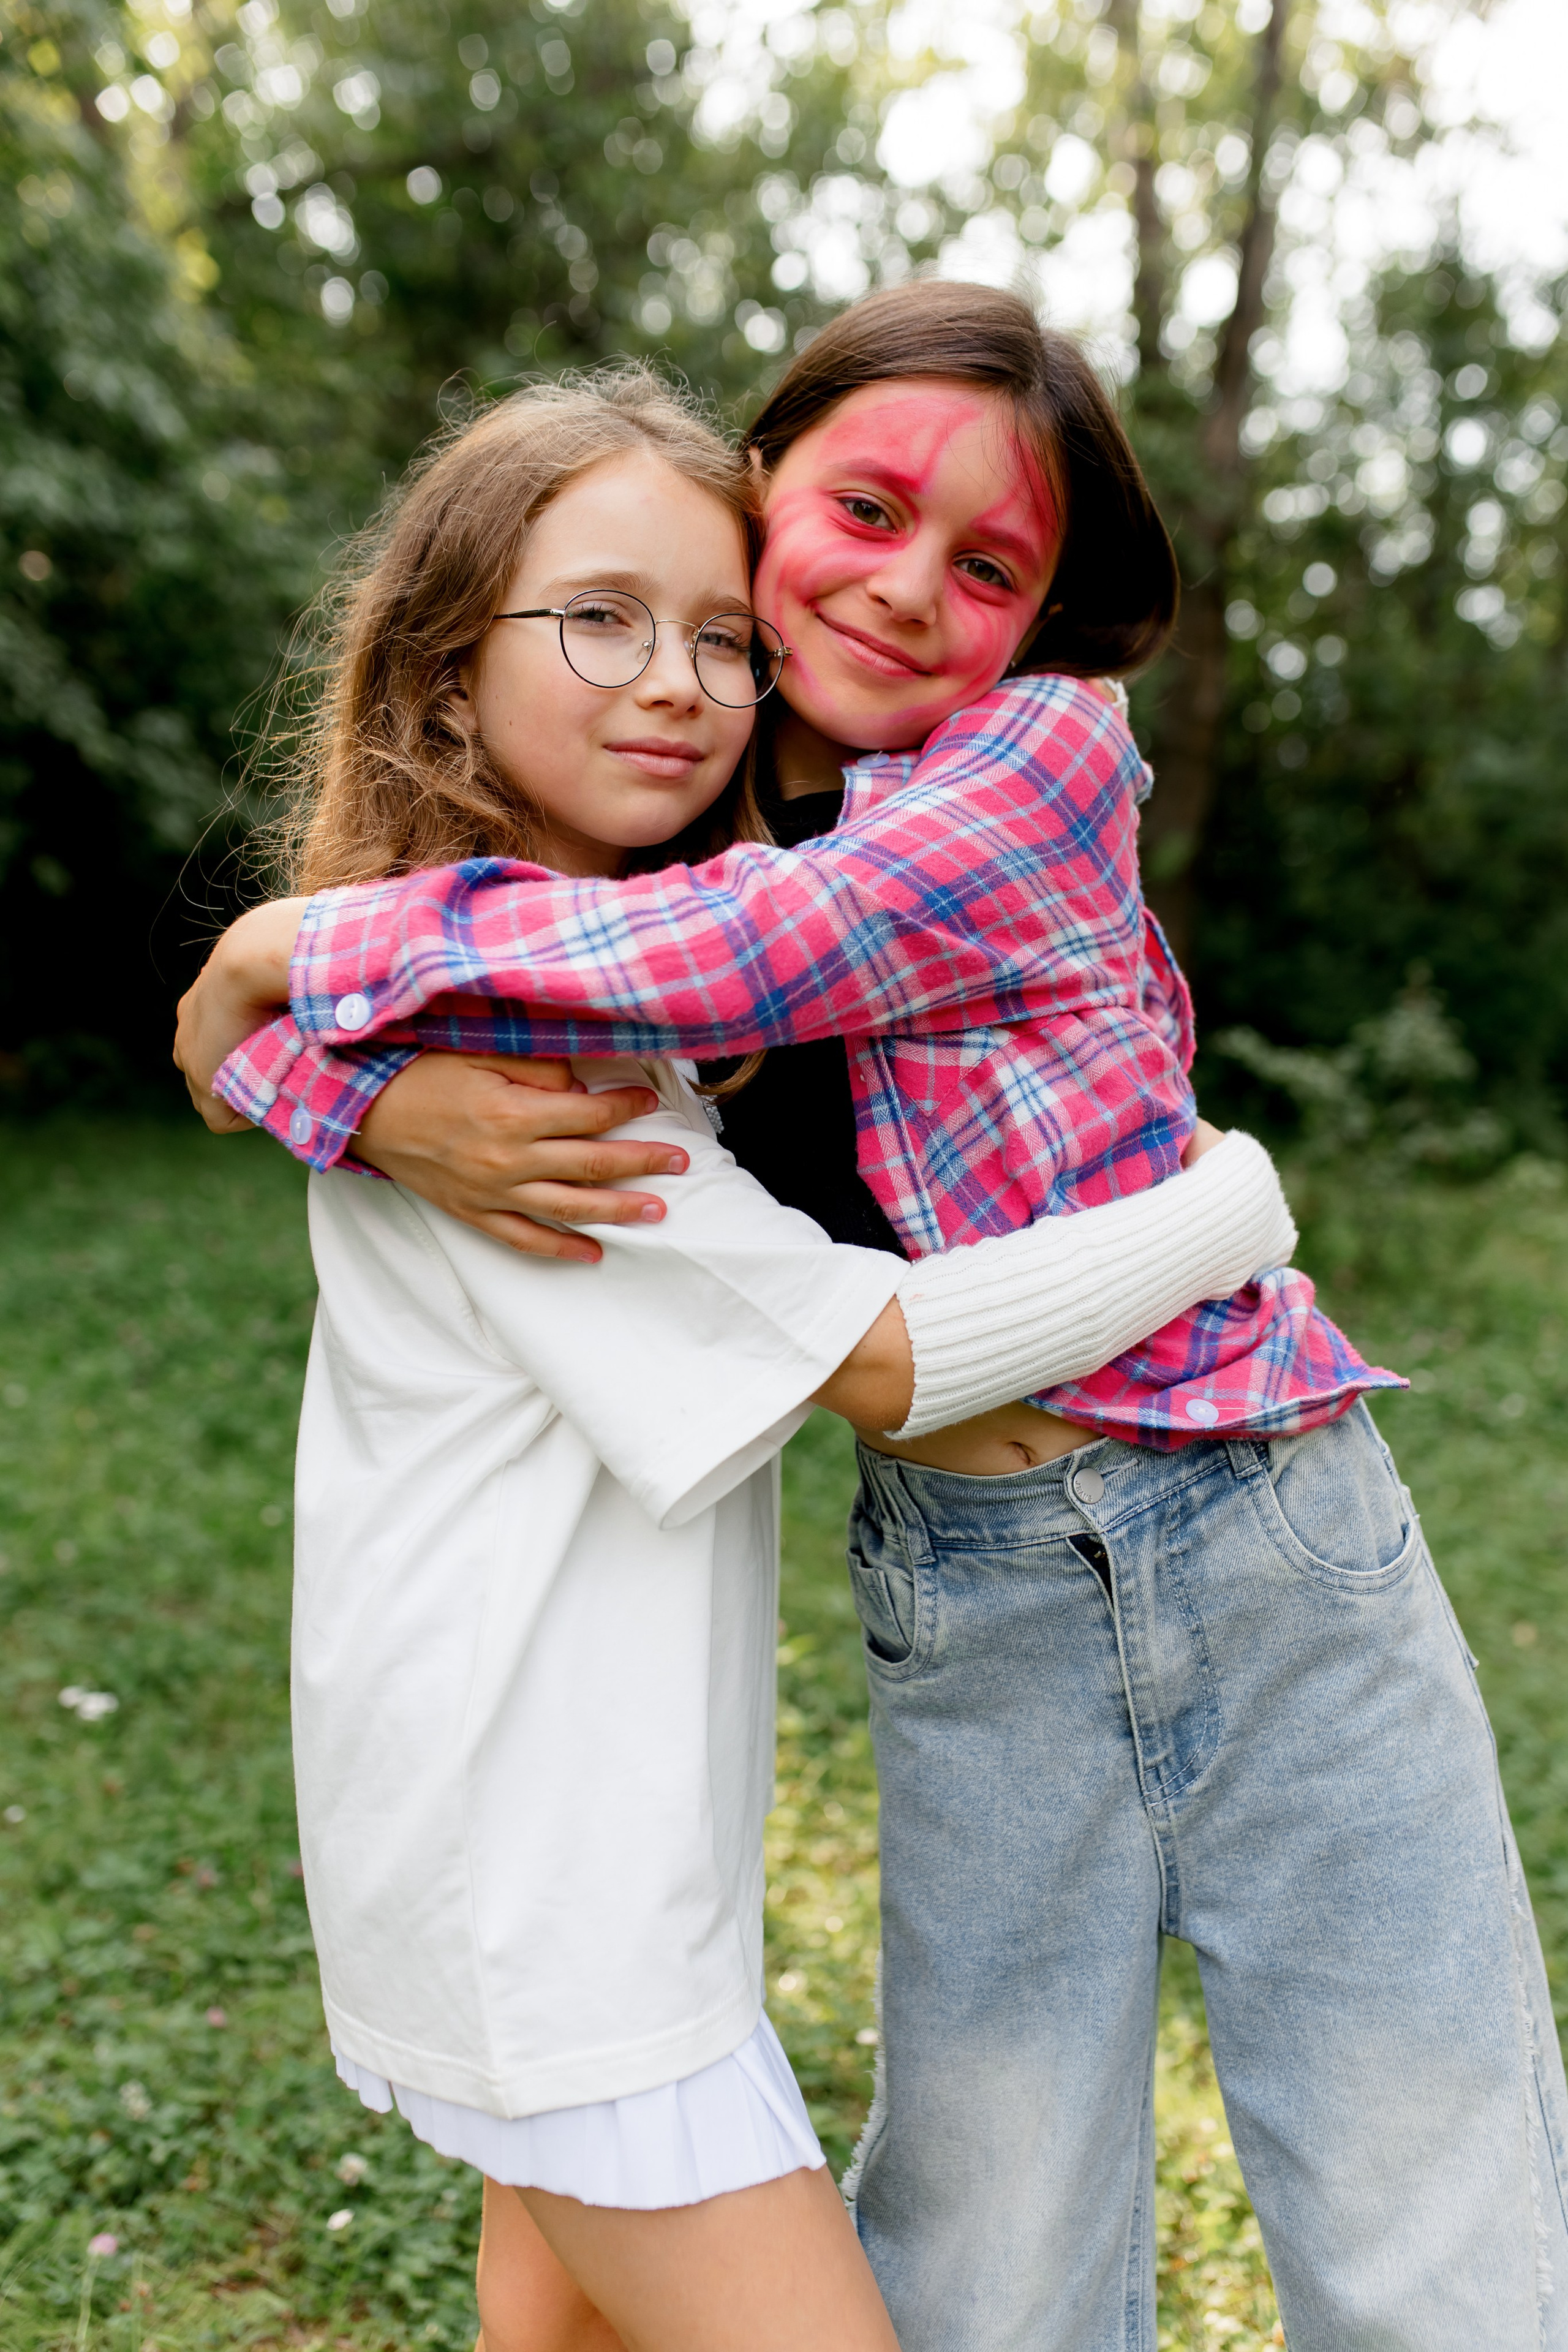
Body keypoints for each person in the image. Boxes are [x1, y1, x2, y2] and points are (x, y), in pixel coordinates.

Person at [179, 285, 1568, 2350]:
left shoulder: (1024, 758)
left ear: (1041, 621)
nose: (909, 590)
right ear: (762, 495)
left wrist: (279, 979)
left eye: (989, 564)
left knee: (1434, 2229)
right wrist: (324, 1070)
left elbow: (748, 959)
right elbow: (645, 1006)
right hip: (975, 1578)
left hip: (1265, 1541)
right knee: (995, 2265)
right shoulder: (661, 838)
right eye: (863, 510)